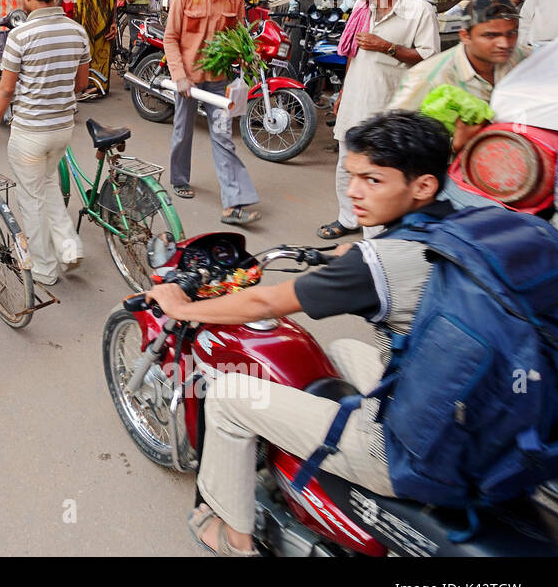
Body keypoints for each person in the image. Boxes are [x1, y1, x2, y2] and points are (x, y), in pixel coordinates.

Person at [145, 112, 454, 556]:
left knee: (229, 396)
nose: (353, 191)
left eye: (373, 180)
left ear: (422, 186)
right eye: (352, 176)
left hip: (404, 450)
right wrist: (353, 253)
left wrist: (183, 305)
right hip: (464, 415)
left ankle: (234, 539)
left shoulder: (377, 266)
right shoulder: (459, 224)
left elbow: (265, 303)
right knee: (344, 348)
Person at [0, 0, 90, 287]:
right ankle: (69, 247)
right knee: (47, 186)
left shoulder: (19, 36)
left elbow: (5, 88)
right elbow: (81, 83)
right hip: (62, 129)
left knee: (31, 198)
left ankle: (44, 268)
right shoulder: (77, 31)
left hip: (30, 131)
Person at [321, 0, 439, 240]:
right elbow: (352, 54)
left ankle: (375, 235)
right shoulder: (362, 9)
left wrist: (388, 48)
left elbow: (429, 59)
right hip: (355, 99)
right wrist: (343, 93)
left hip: (390, 105)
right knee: (347, 163)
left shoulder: (419, 11)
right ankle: (348, 219)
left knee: (381, 168)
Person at [165, 0, 261, 225]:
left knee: (223, 137)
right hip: (189, 80)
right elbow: (171, 38)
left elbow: (239, 36)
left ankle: (233, 203)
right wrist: (179, 77)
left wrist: (246, 55)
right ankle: (179, 178)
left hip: (219, 81)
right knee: (182, 133)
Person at [388, 0, 528, 151]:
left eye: (511, 33)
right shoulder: (427, 77)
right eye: (490, 35)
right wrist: (453, 145)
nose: (504, 43)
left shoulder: (523, 58)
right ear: (465, 36)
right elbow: (393, 138)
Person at [75, 0, 119, 100]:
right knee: (102, 54)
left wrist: (77, 21)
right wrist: (113, 22)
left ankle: (86, 86)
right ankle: (101, 87)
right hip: (105, 23)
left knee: (86, 54)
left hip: (87, 22)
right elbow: (115, 0)